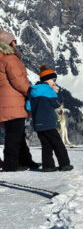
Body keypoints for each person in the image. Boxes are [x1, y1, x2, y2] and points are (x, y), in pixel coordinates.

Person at [0, 30, 38, 171]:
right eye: (14, 41)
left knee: (17, 133)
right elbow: (18, 80)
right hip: (13, 103)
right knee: (14, 135)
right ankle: (11, 165)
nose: (16, 43)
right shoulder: (10, 59)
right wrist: (30, 92)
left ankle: (25, 161)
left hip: (3, 103)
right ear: (9, 43)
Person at [26, 66, 72, 172]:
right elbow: (56, 104)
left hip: (38, 124)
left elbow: (28, 107)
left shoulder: (33, 90)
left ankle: (48, 166)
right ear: (47, 79)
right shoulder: (48, 90)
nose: (55, 83)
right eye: (54, 80)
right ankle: (64, 164)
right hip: (49, 123)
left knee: (46, 145)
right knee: (58, 144)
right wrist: (55, 93)